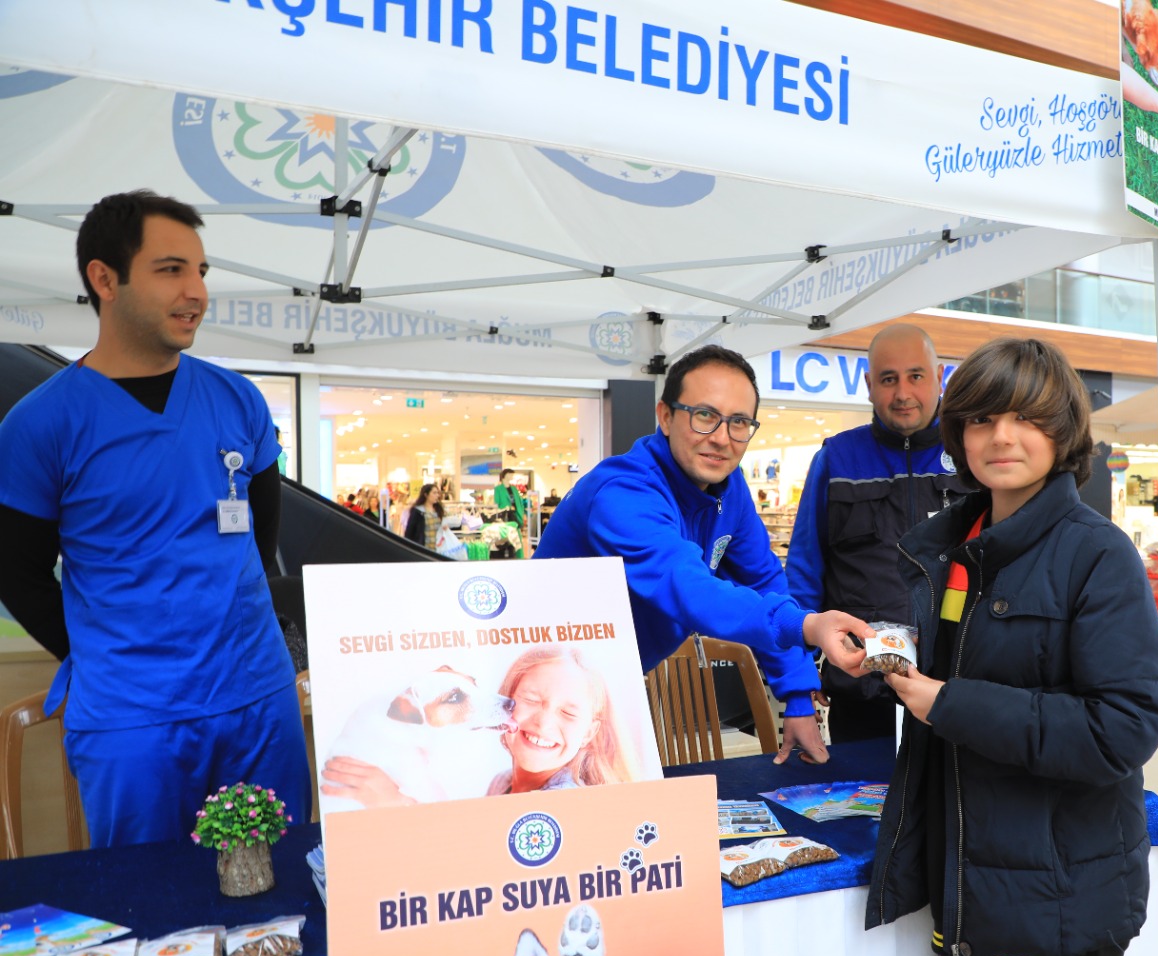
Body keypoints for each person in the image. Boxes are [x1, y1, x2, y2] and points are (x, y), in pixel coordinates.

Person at [865, 337, 1158, 956]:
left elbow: (1122, 729)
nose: (1000, 437)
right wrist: (884, 662)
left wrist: (947, 703)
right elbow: (945, 678)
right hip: (968, 893)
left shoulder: (1097, 555)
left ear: (1063, 433)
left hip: (1065, 899)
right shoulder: (953, 549)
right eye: (980, 420)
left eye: (1025, 418)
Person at [0, 189, 311, 847]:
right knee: (151, 906)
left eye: (201, 271)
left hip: (257, 697)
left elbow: (260, 536)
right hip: (132, 719)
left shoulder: (237, 399)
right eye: (171, 269)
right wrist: (100, 658)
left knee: (280, 890)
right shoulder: (42, 425)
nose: (195, 290)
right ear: (104, 278)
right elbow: (16, 571)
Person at [535, 344, 872, 765]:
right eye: (705, 416)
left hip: (601, 683)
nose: (722, 438)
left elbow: (765, 580)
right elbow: (688, 588)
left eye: (739, 423)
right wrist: (804, 624)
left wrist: (798, 697)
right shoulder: (622, 492)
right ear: (665, 415)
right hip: (537, 684)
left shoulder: (728, 491)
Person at [787, 324, 973, 740]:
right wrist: (799, 682)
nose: (903, 392)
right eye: (888, 379)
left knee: (950, 807)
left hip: (954, 692)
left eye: (916, 376)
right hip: (860, 689)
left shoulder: (970, 453)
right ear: (869, 384)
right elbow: (803, 574)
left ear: (939, 376)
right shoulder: (836, 460)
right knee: (864, 806)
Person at [321, 644, 631, 806]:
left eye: (568, 713)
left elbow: (474, 863)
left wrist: (395, 804)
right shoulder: (502, 783)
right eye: (532, 699)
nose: (543, 721)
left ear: (590, 732)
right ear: (509, 700)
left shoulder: (565, 800)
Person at [404, 482, 443, 548]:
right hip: (424, 548)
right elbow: (409, 532)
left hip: (439, 547)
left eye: (437, 493)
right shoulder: (418, 511)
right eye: (434, 493)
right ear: (426, 495)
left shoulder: (439, 510)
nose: (437, 495)